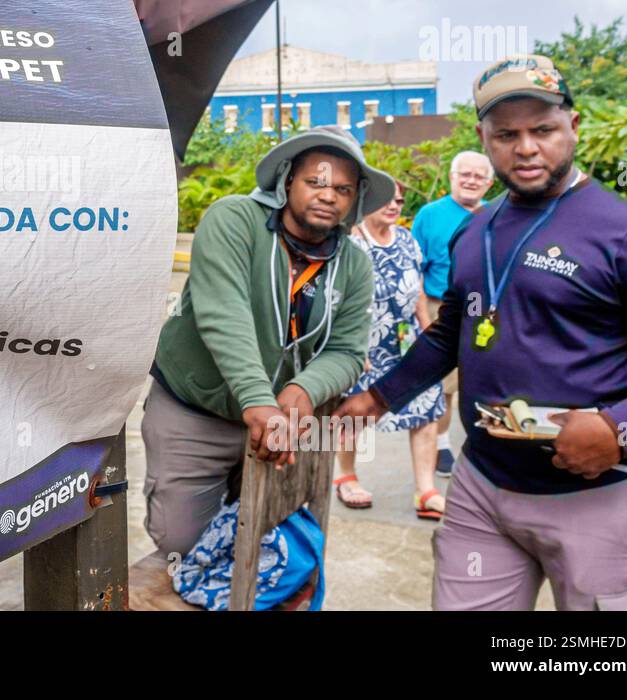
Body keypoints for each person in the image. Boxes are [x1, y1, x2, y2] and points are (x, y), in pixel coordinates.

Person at [336, 54, 627, 610]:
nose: (525, 148)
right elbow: (451, 333)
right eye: (506, 134)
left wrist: (620, 428)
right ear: (483, 137)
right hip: (482, 487)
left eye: (542, 129)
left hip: (601, 493)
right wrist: (378, 397)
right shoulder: (474, 231)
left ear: (574, 126)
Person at [143, 125, 393, 557]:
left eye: (343, 188)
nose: (328, 194)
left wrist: (303, 389)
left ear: (355, 200)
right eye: (315, 181)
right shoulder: (234, 219)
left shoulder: (353, 264)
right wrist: (259, 400)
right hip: (196, 408)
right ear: (286, 181)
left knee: (264, 538)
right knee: (181, 543)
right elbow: (224, 313)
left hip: (282, 421)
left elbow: (349, 351)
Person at [334, 178, 446, 519]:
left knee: (426, 409)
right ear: (367, 202)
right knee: (355, 414)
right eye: (388, 200)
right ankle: (346, 476)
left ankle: (426, 490)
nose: (395, 206)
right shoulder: (352, 244)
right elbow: (337, 298)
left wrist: (429, 334)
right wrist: (351, 348)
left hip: (407, 341)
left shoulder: (408, 240)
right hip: (364, 344)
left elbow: (420, 293)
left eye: (400, 201)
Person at [410, 150, 493, 476]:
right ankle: (442, 444)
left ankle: (485, 448)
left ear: (489, 183)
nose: (471, 181)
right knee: (442, 386)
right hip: (440, 307)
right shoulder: (430, 215)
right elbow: (414, 269)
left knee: (484, 381)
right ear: (452, 178)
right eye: (465, 175)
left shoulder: (498, 213)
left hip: (487, 310)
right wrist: (423, 319)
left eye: (479, 177)